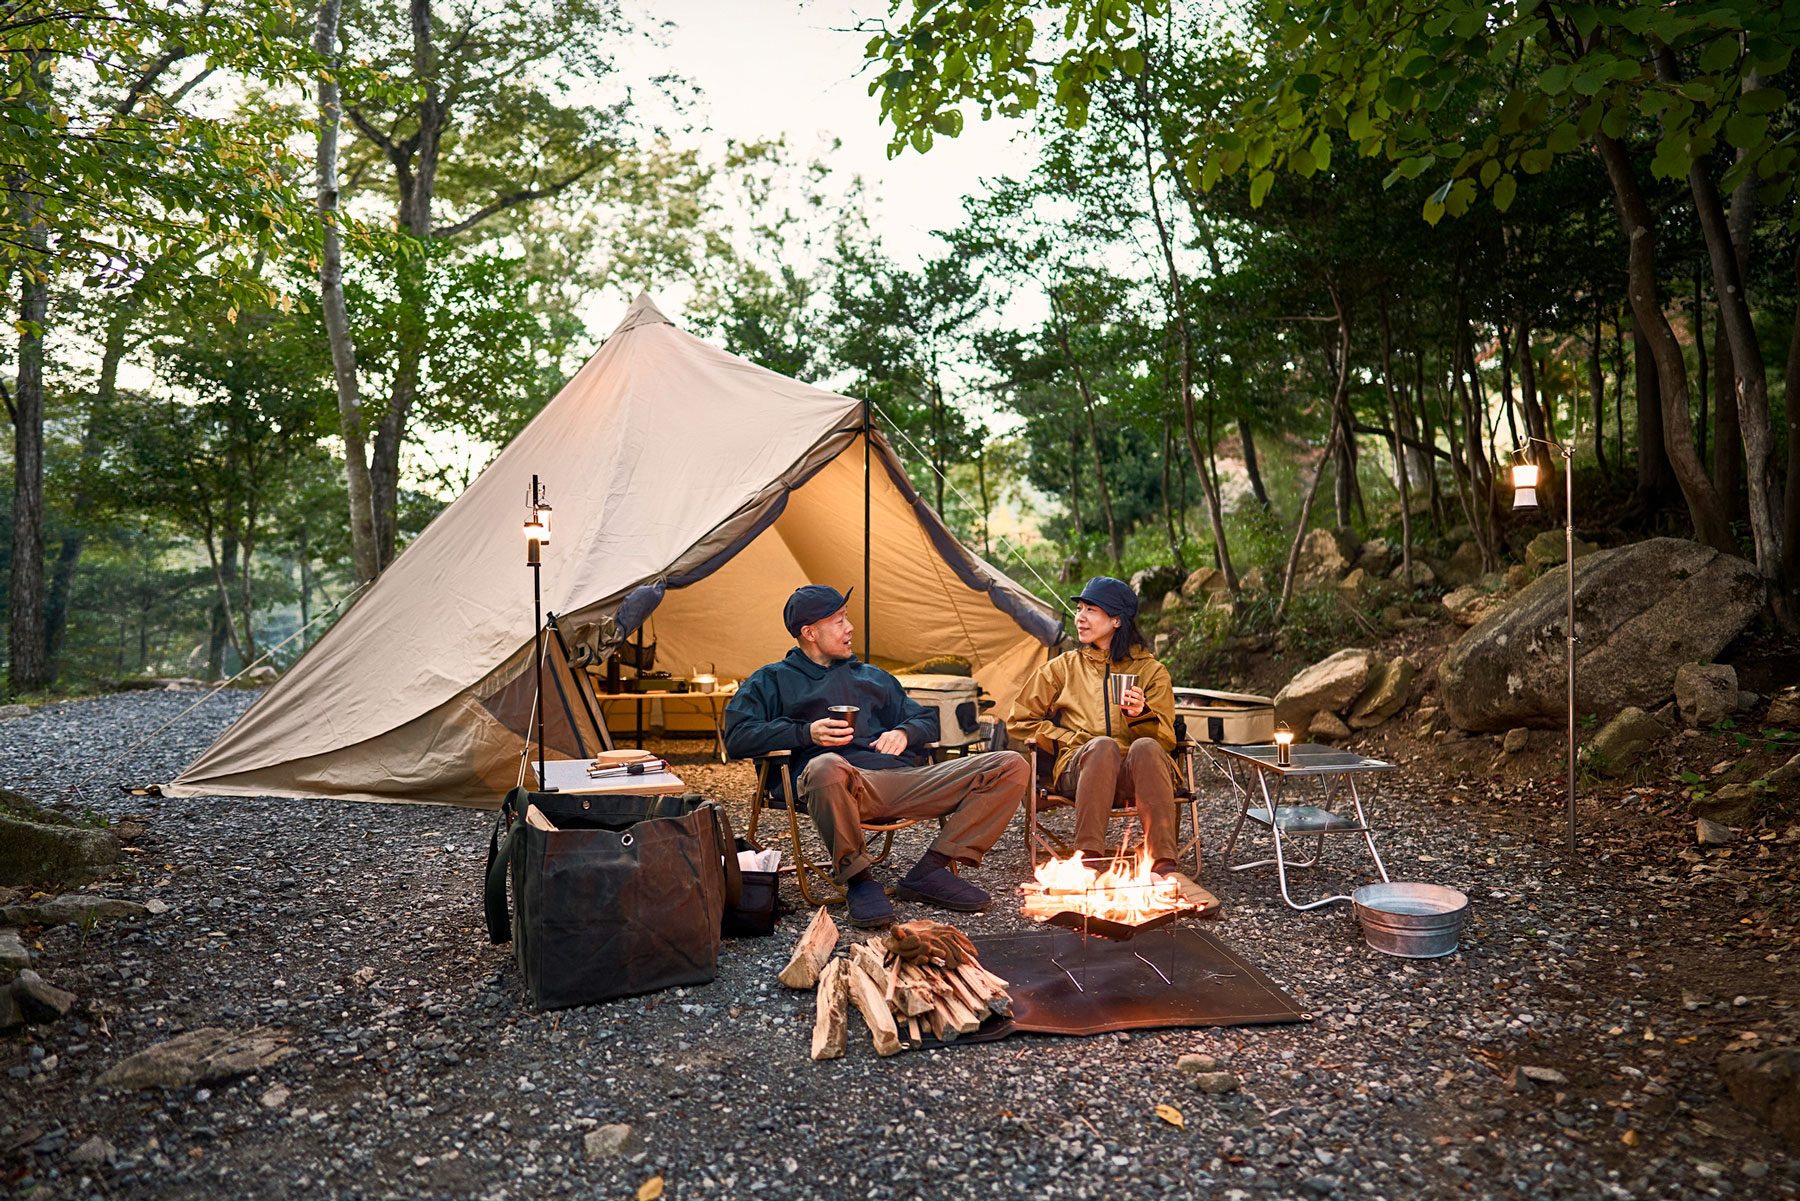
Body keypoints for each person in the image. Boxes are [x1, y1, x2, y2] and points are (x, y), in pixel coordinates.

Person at [724, 585, 1028, 928]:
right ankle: (860, 879)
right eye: (838, 621)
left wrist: (904, 733)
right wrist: (805, 733)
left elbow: (927, 719)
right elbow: (737, 736)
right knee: (826, 765)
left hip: (898, 780)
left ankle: (931, 871)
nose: (850, 627)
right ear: (809, 632)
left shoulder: (872, 677)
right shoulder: (772, 681)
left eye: (846, 618)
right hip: (834, 784)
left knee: (1010, 765)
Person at [1007, 576, 1188, 879]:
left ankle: (1162, 863)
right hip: (1081, 769)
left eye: (1091, 610)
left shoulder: (1151, 671)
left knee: (1146, 746)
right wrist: (1071, 739)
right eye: (1079, 609)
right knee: (1101, 746)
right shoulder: (1063, 668)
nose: (1080, 617)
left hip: (1137, 774)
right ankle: (1087, 857)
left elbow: (1167, 740)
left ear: (1117, 620)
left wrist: (1140, 715)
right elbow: (1019, 720)